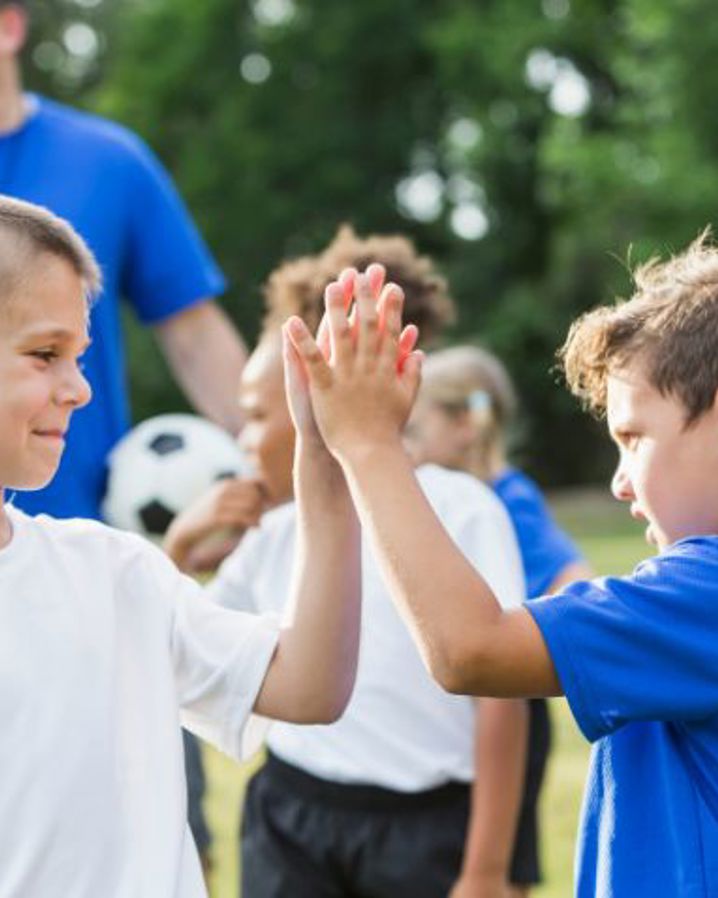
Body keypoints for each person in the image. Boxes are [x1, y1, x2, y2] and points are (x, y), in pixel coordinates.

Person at [285, 236, 718, 898]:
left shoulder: (704, 593)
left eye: (634, 439)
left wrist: (368, 444)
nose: (620, 483)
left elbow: (471, 649)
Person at [0, 196, 362, 898]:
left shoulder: (114, 571)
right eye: (45, 354)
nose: (79, 390)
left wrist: (323, 460)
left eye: (79, 357)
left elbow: (309, 684)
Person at [165, 227, 529, 898]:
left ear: (312, 398)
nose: (243, 439)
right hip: (291, 821)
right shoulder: (273, 530)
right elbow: (184, 649)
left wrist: (485, 869)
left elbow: (502, 704)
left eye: (255, 415)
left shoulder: (461, 509)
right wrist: (181, 549)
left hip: (424, 832)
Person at [0, 1, 247, 522]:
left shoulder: (109, 162)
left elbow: (195, 335)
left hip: (79, 525)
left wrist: (277, 465)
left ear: (9, 27)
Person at [405, 344, 592, 897]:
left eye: (414, 429)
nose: (406, 446)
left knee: (504, 861)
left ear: (465, 424)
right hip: (456, 709)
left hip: (508, 706)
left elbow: (572, 577)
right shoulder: (439, 496)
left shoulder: (508, 499)